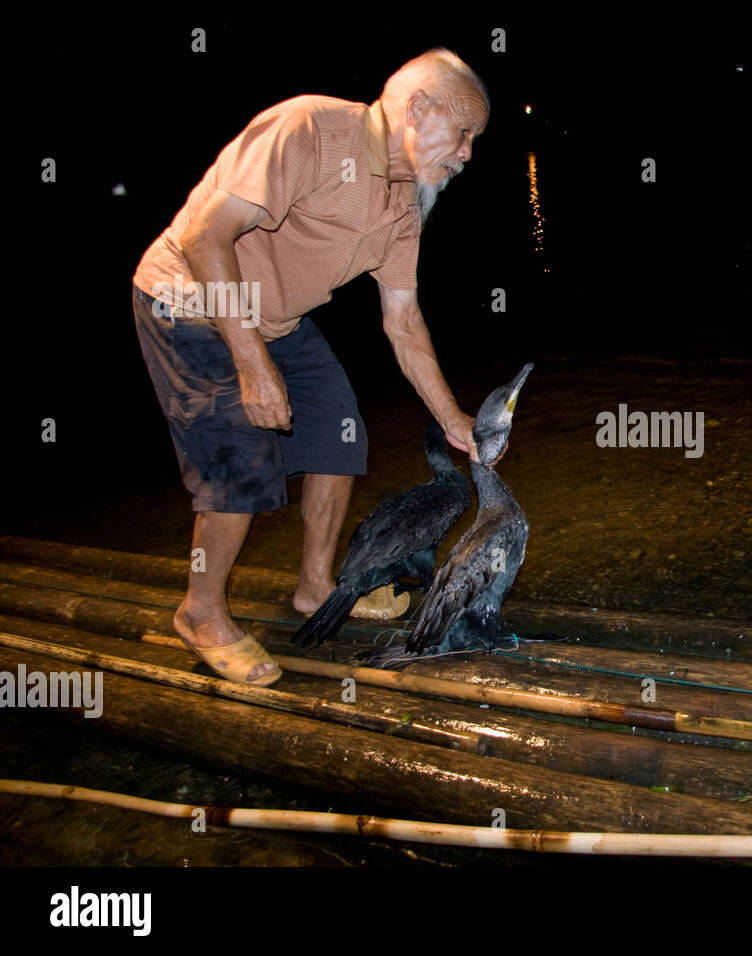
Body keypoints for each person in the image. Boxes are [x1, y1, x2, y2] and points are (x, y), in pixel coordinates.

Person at [132, 49, 490, 685]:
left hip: (277, 318)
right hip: (188, 299)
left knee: (340, 432)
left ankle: (315, 584)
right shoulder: (309, 130)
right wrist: (251, 362)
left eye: (474, 141)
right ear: (416, 109)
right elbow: (205, 238)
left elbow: (403, 322)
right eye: (464, 134)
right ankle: (201, 609)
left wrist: (454, 418)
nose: (467, 153)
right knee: (240, 456)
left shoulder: (404, 205)